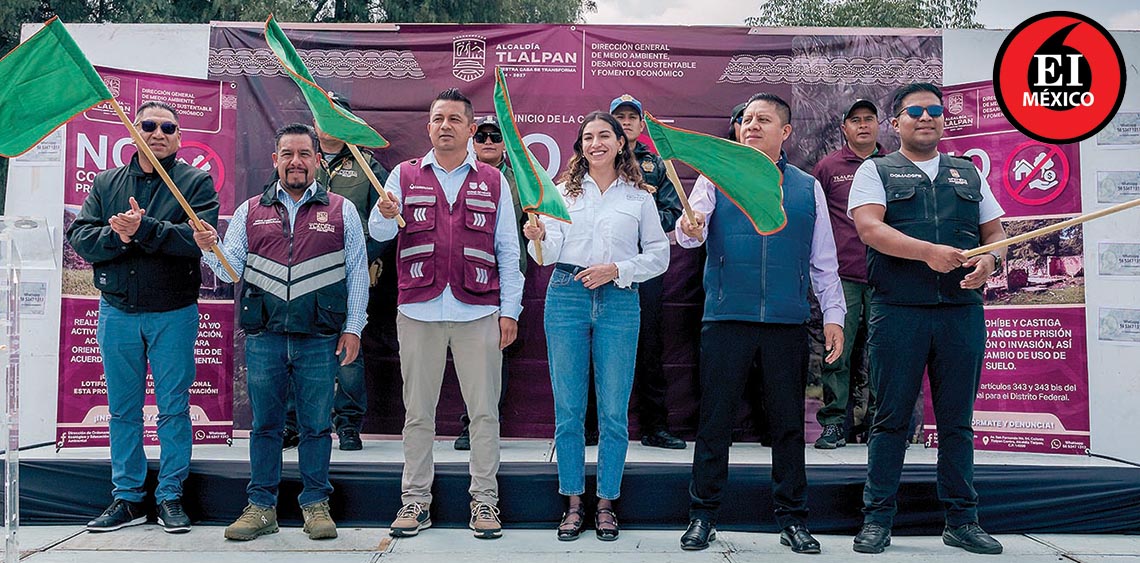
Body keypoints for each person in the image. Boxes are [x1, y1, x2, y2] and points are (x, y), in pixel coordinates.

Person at [676, 93, 845, 554]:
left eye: (763, 120)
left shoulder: (807, 188)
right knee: (715, 422)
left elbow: (824, 261)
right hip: (727, 317)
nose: (751, 126)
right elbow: (691, 234)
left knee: (788, 425)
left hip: (786, 322)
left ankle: (793, 519)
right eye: (746, 119)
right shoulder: (715, 177)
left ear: (785, 132)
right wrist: (689, 229)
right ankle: (703, 515)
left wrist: (834, 315)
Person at [848, 83, 1007, 555]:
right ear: (895, 122)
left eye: (934, 110)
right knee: (891, 419)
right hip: (898, 311)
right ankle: (877, 519)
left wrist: (990, 261)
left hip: (960, 313)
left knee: (957, 422)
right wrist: (927, 253)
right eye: (914, 111)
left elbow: (996, 233)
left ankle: (962, 521)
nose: (925, 117)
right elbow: (869, 228)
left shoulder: (968, 173)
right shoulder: (876, 170)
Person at [195, 123, 368, 541]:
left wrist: (353, 328)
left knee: (316, 426)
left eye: (304, 154)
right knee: (266, 427)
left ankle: (316, 504)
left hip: (320, 337)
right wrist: (209, 248)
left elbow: (357, 273)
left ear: (317, 161)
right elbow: (230, 272)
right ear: (275, 160)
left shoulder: (342, 210)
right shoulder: (249, 211)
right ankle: (261, 507)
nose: (296, 162)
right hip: (265, 337)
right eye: (288, 154)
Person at [371, 88, 523, 540]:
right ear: (428, 126)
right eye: (438, 118)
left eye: (455, 119)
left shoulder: (494, 181)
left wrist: (510, 312)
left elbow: (508, 251)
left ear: (471, 129)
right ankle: (415, 500)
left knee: (484, 414)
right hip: (419, 309)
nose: (445, 126)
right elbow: (380, 231)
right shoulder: (403, 174)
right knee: (418, 413)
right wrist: (384, 213)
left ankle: (485, 501)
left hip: (479, 309)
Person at [68, 101, 218, 535]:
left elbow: (197, 241)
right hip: (117, 312)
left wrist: (144, 229)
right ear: (133, 133)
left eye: (167, 127)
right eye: (148, 125)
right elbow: (80, 236)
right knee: (122, 411)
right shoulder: (106, 182)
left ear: (179, 137)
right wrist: (117, 235)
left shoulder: (196, 182)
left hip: (174, 314)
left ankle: (170, 496)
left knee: (173, 409)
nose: (157, 133)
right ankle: (128, 498)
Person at [525, 111, 669, 541]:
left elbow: (659, 255)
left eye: (604, 135)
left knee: (613, 412)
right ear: (580, 146)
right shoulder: (560, 194)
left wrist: (617, 269)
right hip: (566, 296)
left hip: (619, 300)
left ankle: (606, 503)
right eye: (588, 137)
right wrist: (537, 235)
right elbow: (546, 255)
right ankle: (573, 502)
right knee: (569, 410)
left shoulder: (639, 196)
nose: (595, 143)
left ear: (621, 142)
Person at [280, 91, 391, 452]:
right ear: (314, 121)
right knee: (295, 349)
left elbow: (384, 226)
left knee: (348, 353)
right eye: (322, 114)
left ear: (347, 121)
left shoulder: (368, 166)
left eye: (335, 114)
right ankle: (293, 423)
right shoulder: (299, 161)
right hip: (300, 275)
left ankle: (348, 425)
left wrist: (357, 261)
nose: (327, 122)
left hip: (349, 276)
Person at [607, 94, 685, 450]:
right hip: (603, 267)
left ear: (641, 124)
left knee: (648, 346)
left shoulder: (656, 164)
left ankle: (655, 426)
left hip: (644, 269)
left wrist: (642, 224)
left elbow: (673, 212)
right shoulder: (596, 159)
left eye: (631, 117)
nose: (625, 122)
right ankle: (591, 426)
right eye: (619, 116)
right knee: (597, 347)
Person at [810, 99, 884, 449]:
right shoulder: (828, 167)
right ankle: (834, 423)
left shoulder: (894, 165)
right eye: (856, 120)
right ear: (844, 128)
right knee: (836, 351)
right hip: (843, 276)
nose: (863, 125)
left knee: (885, 352)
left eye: (869, 119)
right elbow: (815, 219)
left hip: (888, 274)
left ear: (880, 125)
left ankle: (880, 424)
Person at [454, 115, 526, 451]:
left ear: (504, 142)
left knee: (496, 353)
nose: (487, 141)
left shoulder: (522, 180)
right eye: (481, 136)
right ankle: (469, 423)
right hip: (464, 276)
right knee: (464, 351)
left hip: (505, 277)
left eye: (494, 136)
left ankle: (485, 425)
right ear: (472, 140)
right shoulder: (458, 173)